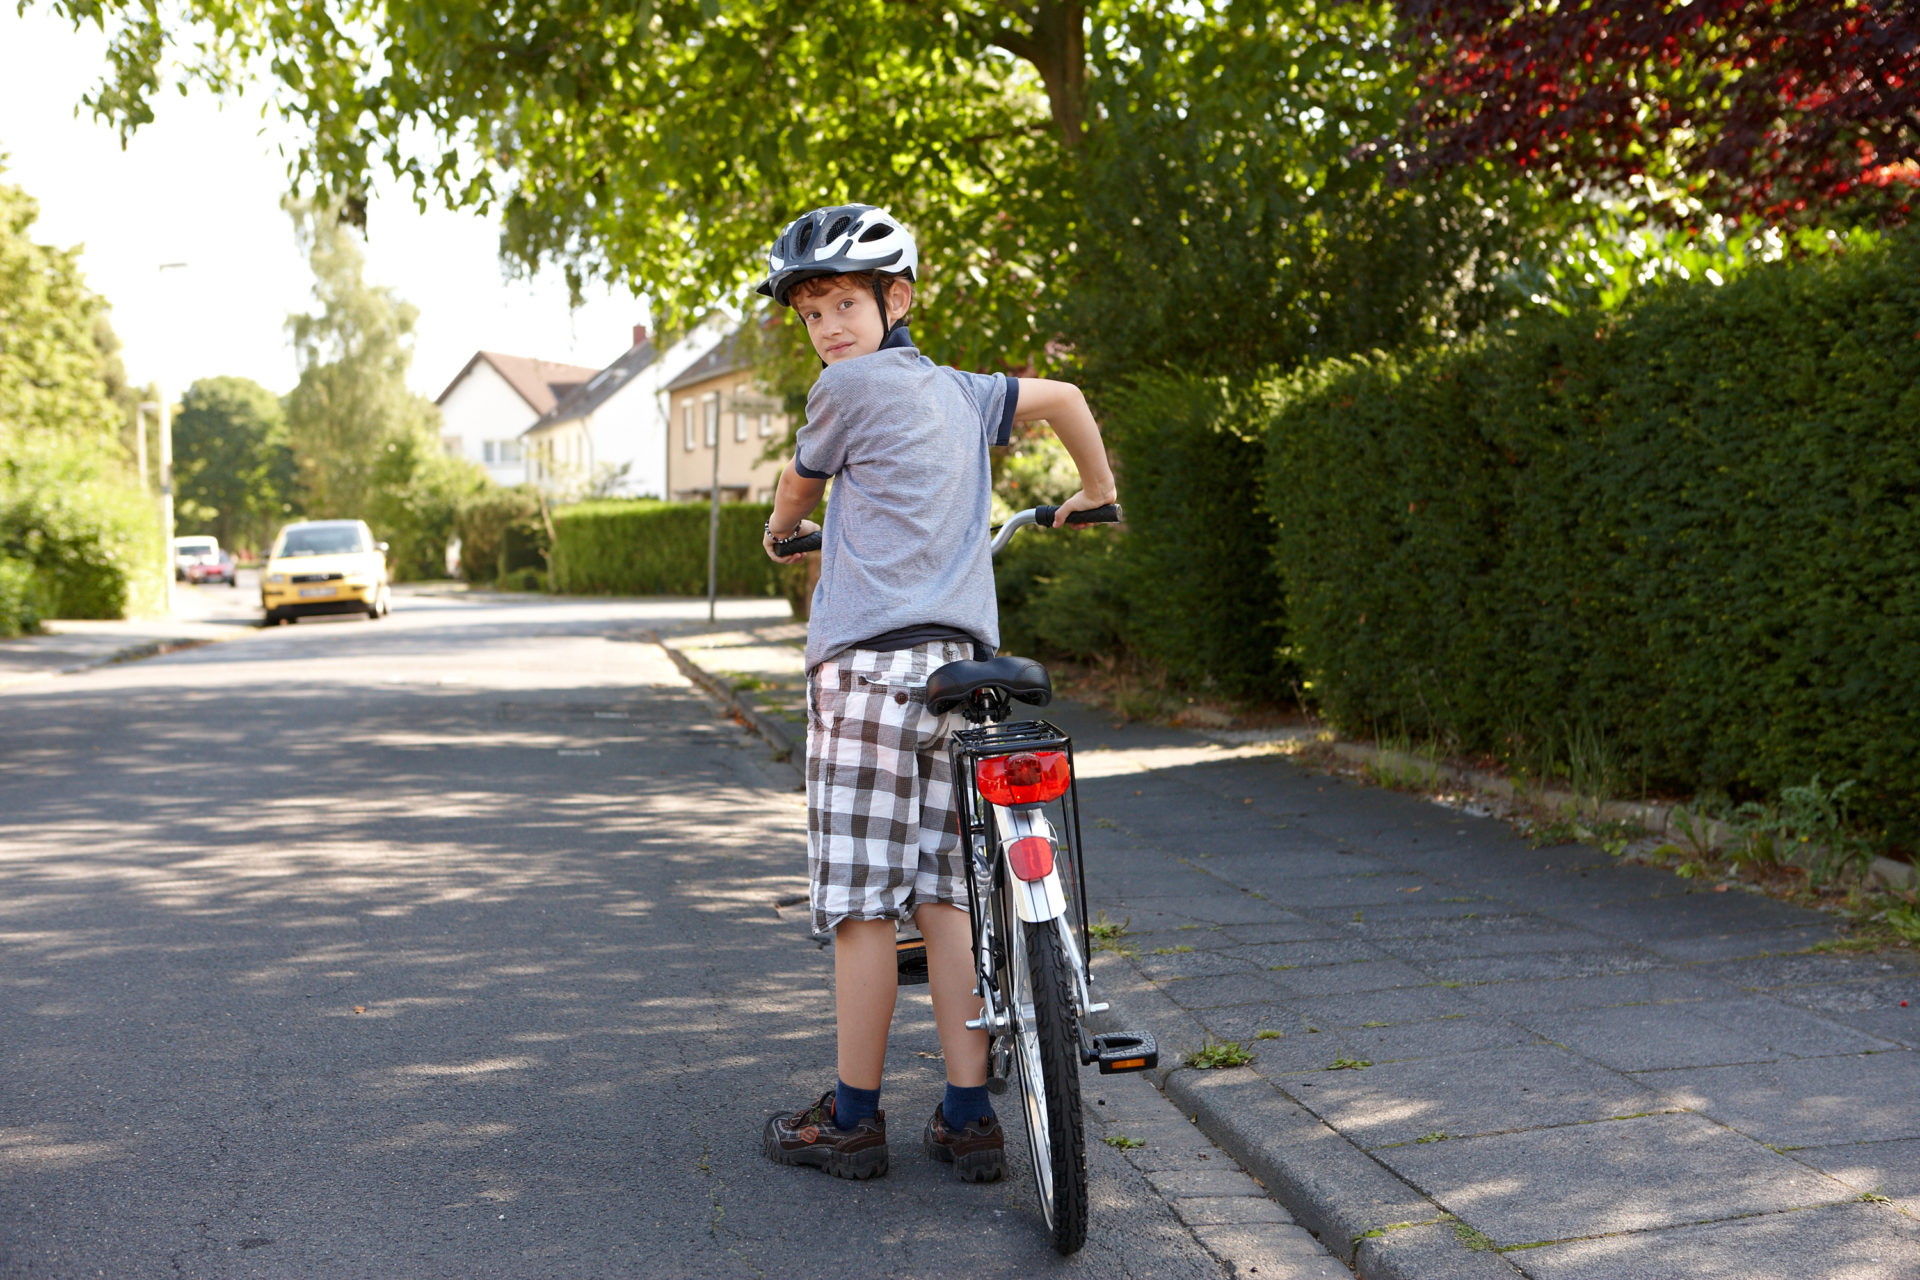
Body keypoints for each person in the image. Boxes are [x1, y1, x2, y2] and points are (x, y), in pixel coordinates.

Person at [756, 204, 1118, 1181]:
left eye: (843, 303)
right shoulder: (965, 391)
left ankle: (854, 1117)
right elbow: (1066, 396)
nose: (828, 328)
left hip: (868, 674)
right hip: (960, 675)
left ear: (896, 299)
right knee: (949, 893)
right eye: (812, 313)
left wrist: (783, 530)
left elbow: (796, 490)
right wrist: (1093, 491)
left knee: (866, 906)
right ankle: (969, 1115)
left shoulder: (845, 388)